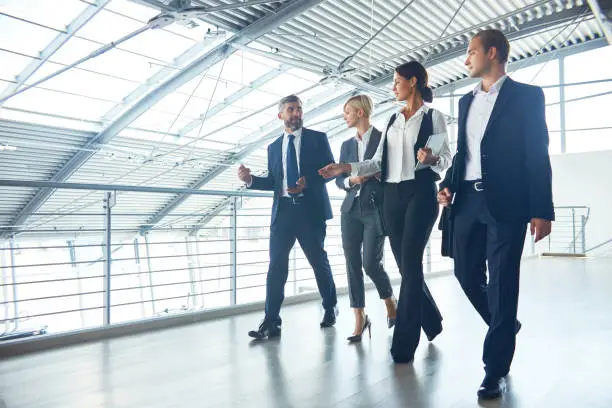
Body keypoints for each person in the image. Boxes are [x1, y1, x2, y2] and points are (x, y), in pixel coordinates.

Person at [437, 29, 554, 399]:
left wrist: (541, 209)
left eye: (471, 52)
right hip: (467, 201)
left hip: (508, 204)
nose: (466, 59)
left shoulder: (527, 97)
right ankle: (505, 325)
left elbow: (537, 152)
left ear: (492, 53)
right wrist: (449, 182)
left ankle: (495, 369)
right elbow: (463, 153)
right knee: (464, 271)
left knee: (503, 282)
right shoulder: (465, 101)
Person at [320, 61, 452, 363]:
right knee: (406, 267)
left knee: (412, 262)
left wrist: (431, 157)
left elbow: (445, 159)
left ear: (413, 82)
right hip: (392, 198)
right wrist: (344, 168)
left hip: (419, 194)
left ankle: (405, 342)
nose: (393, 87)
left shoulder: (433, 117)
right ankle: (431, 321)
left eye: (397, 81)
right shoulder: (393, 120)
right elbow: (377, 163)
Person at [237, 94, 338, 340]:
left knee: (318, 262)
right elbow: (274, 181)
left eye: (299, 109)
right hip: (282, 213)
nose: (296, 114)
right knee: (276, 268)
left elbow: (331, 171)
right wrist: (250, 180)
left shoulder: (318, 139)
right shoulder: (273, 147)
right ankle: (271, 320)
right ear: (280, 115)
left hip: (309, 211)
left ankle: (330, 307)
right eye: (291, 109)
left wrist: (308, 182)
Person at [336, 94, 397, 343]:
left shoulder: (385, 139)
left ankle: (390, 300)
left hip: (375, 209)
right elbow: (339, 178)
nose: (345, 116)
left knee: (371, 263)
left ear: (360, 112)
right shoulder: (346, 146)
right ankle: (360, 318)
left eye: (348, 112)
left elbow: (390, 171)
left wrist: (369, 175)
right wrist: (350, 180)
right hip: (350, 209)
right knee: (352, 263)